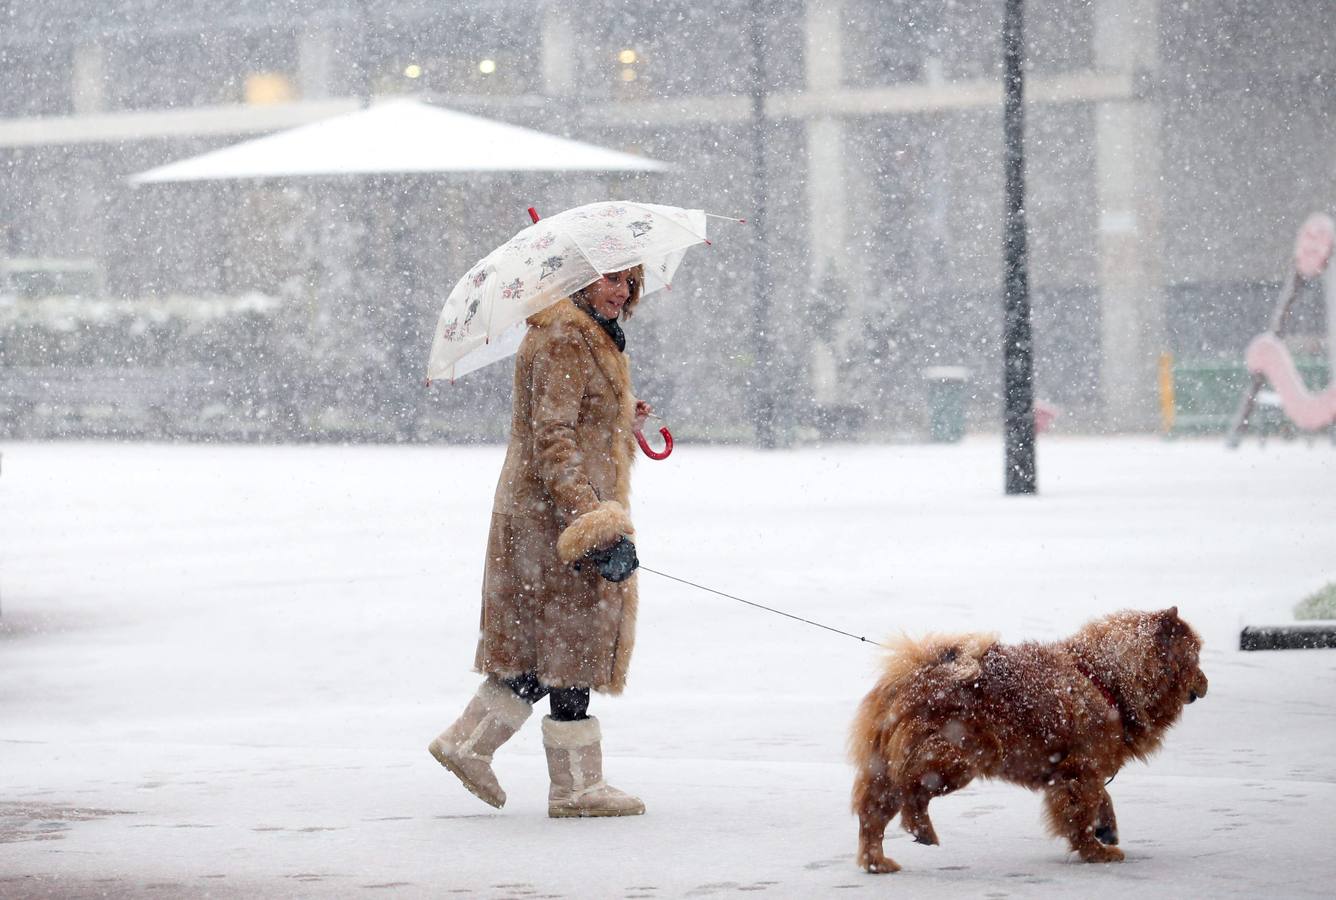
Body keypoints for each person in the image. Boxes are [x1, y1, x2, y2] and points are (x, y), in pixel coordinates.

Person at [429, 266, 652, 818]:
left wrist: (623, 417)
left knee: (554, 649)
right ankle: (572, 787)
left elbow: (571, 423)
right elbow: (553, 441)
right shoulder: (563, 338)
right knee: (567, 648)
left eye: (629, 281)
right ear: (580, 281)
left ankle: (475, 745)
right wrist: (593, 523)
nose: (620, 291)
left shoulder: (584, 335)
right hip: (554, 520)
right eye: (610, 279)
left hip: (555, 515)